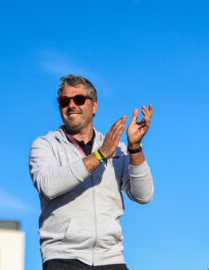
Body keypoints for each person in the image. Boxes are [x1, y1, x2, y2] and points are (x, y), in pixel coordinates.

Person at [29, 75, 154, 270]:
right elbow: (48, 186)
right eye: (64, 101)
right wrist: (101, 155)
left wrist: (134, 147)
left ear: (94, 106)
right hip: (63, 258)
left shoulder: (116, 149)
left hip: (111, 258)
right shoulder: (45, 145)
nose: (71, 105)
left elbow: (143, 195)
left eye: (78, 99)